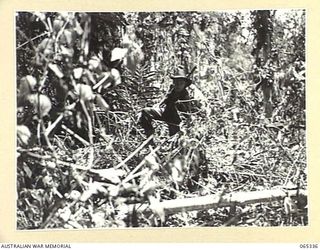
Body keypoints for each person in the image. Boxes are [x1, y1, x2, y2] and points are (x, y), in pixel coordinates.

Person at [137, 68, 194, 139]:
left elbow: (186, 113)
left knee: (174, 139)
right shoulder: (172, 89)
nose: (178, 85)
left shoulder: (185, 95)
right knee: (146, 111)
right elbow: (166, 97)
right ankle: (150, 137)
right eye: (176, 82)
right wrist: (158, 105)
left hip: (176, 120)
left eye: (181, 83)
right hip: (165, 112)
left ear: (184, 84)